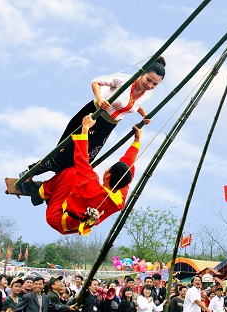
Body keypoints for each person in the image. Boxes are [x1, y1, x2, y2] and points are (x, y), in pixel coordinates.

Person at [21, 58, 165, 178]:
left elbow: (133, 104)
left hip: (107, 126)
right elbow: (96, 82)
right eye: (148, 80)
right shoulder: (124, 80)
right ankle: (30, 174)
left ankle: (53, 187)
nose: (150, 85)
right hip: (93, 116)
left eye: (155, 84)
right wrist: (100, 98)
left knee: (84, 160)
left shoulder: (148, 94)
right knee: (66, 151)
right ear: (143, 72)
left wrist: (144, 115)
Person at [23, 114, 142, 235]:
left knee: (72, 173)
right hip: (72, 227)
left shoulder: (91, 181)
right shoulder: (119, 199)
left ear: (107, 175)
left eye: (109, 169)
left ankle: (40, 193)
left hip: (57, 217)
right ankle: (49, 194)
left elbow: (81, 158)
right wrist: (136, 141)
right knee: (76, 178)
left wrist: (85, 128)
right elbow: (129, 165)